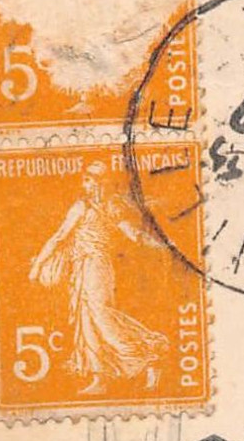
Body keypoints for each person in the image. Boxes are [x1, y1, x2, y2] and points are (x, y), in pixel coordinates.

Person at [29, 161, 170, 395]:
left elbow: (60, 237)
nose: (85, 184)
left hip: (94, 267)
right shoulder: (102, 206)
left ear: (97, 183)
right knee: (88, 321)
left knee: (101, 316)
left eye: (89, 180)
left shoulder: (89, 207)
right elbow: (134, 235)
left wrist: (37, 266)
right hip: (85, 268)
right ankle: (100, 379)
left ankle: (148, 355)